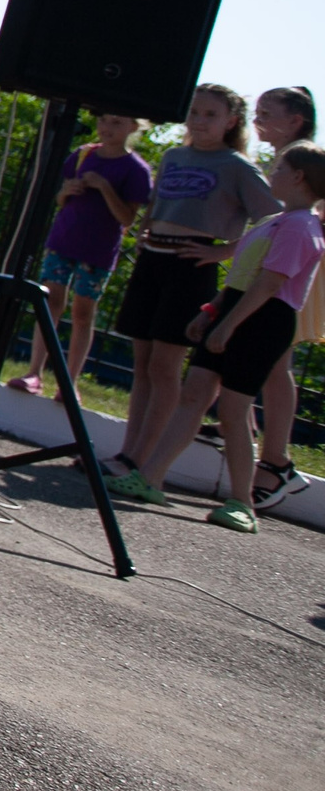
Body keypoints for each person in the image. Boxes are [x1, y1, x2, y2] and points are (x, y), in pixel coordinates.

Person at [109, 143, 324, 535]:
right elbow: (242, 274)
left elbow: (269, 284)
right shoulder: (276, 220)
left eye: (279, 168)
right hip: (237, 309)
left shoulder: (301, 227)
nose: (271, 173)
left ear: (298, 177)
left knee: (233, 409)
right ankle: (150, 477)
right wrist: (212, 311)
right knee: (194, 394)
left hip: (265, 319)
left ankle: (242, 502)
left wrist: (228, 326)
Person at [105, 84, 278, 476]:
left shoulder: (237, 165)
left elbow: (273, 219)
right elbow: (154, 208)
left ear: (231, 122)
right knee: (143, 362)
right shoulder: (173, 155)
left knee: (166, 366)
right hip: (154, 259)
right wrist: (145, 235)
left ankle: (141, 461)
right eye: (195, 112)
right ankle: (125, 453)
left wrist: (222, 251)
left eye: (210, 115)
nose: (199, 121)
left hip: (191, 266)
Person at [5, 111, 150, 395]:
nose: (107, 127)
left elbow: (127, 218)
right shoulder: (83, 155)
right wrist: (67, 191)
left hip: (98, 250)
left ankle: (68, 382)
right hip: (63, 241)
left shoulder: (136, 169)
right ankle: (35, 372)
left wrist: (105, 188)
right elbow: (61, 199)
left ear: (133, 125)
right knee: (49, 304)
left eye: (117, 121)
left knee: (83, 313)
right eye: (104, 120)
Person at [250, 84, 318, 510]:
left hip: (298, 270)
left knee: (278, 357)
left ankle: (276, 460)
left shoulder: (307, 163)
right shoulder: (284, 163)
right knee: (267, 354)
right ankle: (239, 433)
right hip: (282, 263)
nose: (257, 119)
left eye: (266, 112)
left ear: (295, 120)